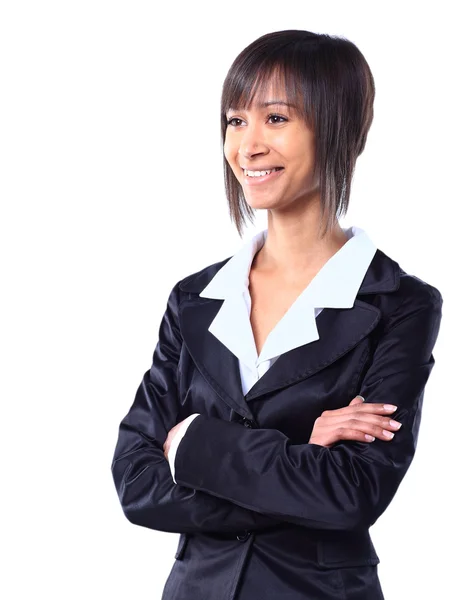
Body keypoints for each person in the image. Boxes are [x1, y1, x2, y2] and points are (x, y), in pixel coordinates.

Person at [110, 29, 443, 600]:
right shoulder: (194, 298)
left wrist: (192, 444)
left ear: (339, 128)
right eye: (235, 121)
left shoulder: (400, 304)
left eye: (276, 119)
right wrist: (299, 452)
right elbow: (136, 482)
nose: (248, 146)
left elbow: (353, 491)